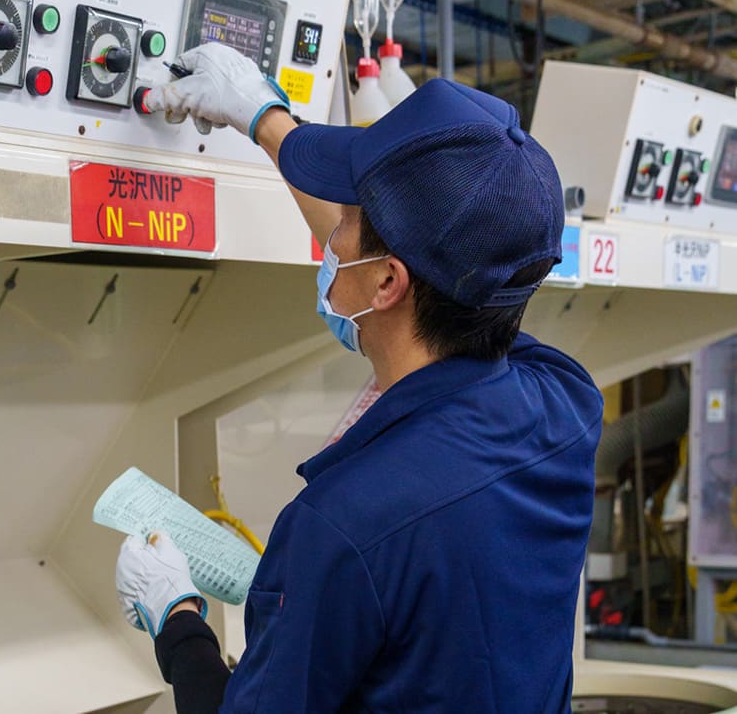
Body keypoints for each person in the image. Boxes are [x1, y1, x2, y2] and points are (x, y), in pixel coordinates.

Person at [113, 42, 603, 713]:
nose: (331, 238)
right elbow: (434, 272)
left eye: (345, 219)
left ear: (388, 283)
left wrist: (176, 619)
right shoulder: (566, 402)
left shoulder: (341, 523)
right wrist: (263, 119)